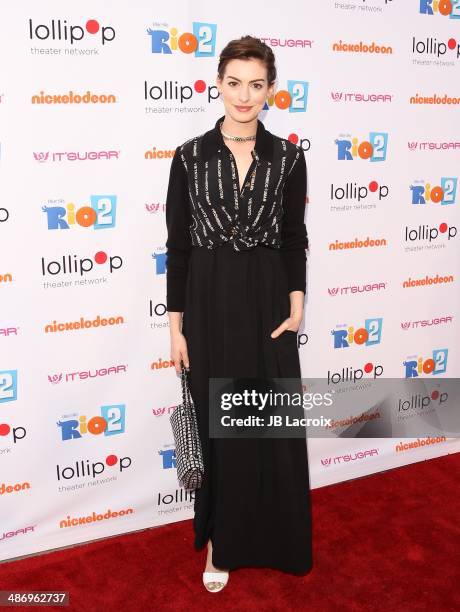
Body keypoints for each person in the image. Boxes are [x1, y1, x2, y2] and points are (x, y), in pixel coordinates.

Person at [165, 35, 312, 592]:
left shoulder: (290, 157)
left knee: (267, 422)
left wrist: (296, 306)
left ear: (271, 90)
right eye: (234, 83)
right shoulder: (189, 157)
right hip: (207, 300)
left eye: (256, 84)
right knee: (219, 427)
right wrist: (175, 328)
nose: (244, 95)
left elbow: (294, 238)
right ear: (218, 85)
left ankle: (276, 539)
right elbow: (178, 247)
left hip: (269, 303)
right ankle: (221, 545)